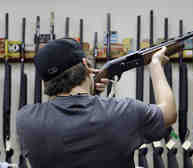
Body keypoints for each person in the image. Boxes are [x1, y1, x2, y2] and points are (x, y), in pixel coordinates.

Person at [16, 38, 177, 168]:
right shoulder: (123, 112)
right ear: (86, 65)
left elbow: (67, 114)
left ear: (45, 82)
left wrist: (89, 91)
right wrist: (155, 65)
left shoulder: (25, 120)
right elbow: (169, 113)